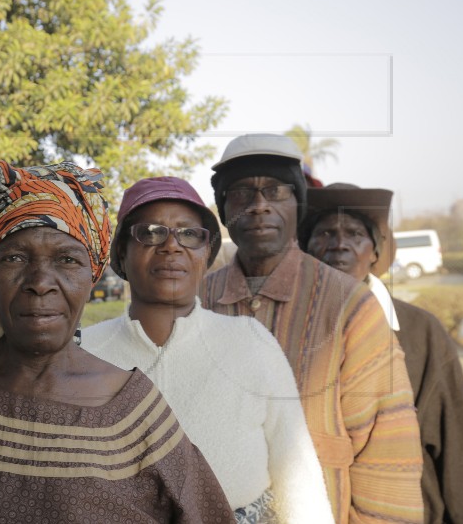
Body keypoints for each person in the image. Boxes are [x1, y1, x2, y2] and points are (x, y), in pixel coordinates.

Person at [0, 160, 234, 524]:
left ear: (91, 278)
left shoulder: (137, 414)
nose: (41, 281)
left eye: (66, 259)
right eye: (14, 257)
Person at [83, 176, 334, 523]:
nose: (171, 246)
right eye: (150, 232)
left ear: (206, 255)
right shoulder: (83, 351)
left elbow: (298, 474)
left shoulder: (250, 342)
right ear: (121, 255)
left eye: (189, 234)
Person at [201, 134, 423, 524]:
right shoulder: (197, 301)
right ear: (223, 209)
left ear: (297, 206)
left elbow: (387, 456)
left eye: (275, 191)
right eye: (240, 193)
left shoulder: (350, 306)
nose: (258, 206)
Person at [301, 182, 463, 524]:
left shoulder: (420, 329)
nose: (338, 245)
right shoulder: (288, 328)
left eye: (353, 233)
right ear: (305, 251)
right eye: (324, 233)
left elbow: (458, 445)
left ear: (375, 253)